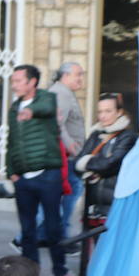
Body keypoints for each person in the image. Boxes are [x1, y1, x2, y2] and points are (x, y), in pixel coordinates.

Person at [6, 64, 73, 276]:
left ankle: (60, 274)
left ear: (32, 82)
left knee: (53, 228)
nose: (14, 85)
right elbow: (11, 141)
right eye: (13, 81)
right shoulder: (14, 108)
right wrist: (11, 171)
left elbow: (45, 107)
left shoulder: (46, 99)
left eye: (18, 80)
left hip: (48, 175)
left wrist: (32, 112)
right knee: (27, 231)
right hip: (23, 179)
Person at [74, 92, 138, 222]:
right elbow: (77, 164)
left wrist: (87, 164)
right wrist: (92, 164)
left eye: (108, 111)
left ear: (119, 112)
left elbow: (110, 164)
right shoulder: (95, 134)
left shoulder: (128, 136)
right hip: (92, 203)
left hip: (115, 202)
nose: (102, 116)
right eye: (100, 111)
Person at [48, 62, 86, 239]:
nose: (80, 79)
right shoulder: (61, 93)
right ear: (65, 75)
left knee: (69, 193)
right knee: (72, 192)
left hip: (68, 155)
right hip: (67, 156)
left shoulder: (65, 92)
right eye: (77, 75)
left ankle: (60, 235)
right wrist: (71, 146)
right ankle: (60, 236)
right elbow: (57, 124)